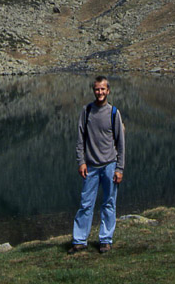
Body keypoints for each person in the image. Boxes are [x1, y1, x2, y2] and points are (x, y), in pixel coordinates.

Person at [68, 75, 125, 254]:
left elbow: (121, 143)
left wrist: (119, 168)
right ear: (94, 90)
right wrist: (81, 162)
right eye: (97, 89)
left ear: (108, 91)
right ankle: (79, 241)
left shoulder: (114, 113)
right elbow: (80, 140)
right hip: (91, 166)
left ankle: (105, 240)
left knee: (108, 203)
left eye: (103, 89)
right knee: (86, 203)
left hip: (109, 165)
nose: (100, 92)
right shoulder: (87, 111)